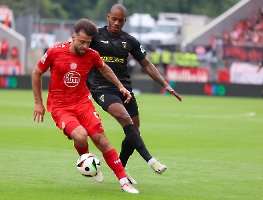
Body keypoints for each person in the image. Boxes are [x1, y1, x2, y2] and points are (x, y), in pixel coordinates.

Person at [31, 18, 139, 194]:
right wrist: (38, 103)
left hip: (83, 103)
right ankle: (88, 161)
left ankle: (123, 181)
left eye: (88, 43)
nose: (85, 46)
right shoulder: (54, 52)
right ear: (72, 37)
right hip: (61, 107)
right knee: (81, 136)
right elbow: (36, 73)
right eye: (82, 42)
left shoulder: (91, 55)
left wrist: (120, 86)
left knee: (101, 140)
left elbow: (105, 69)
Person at [87, 4, 182, 184]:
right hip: (102, 88)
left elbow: (146, 64)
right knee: (124, 118)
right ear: (108, 17)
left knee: (134, 130)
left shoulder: (129, 40)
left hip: (125, 89)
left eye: (120, 20)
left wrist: (165, 84)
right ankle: (151, 161)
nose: (116, 23)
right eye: (113, 19)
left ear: (125, 21)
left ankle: (121, 166)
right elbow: (79, 51)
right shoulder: (95, 36)